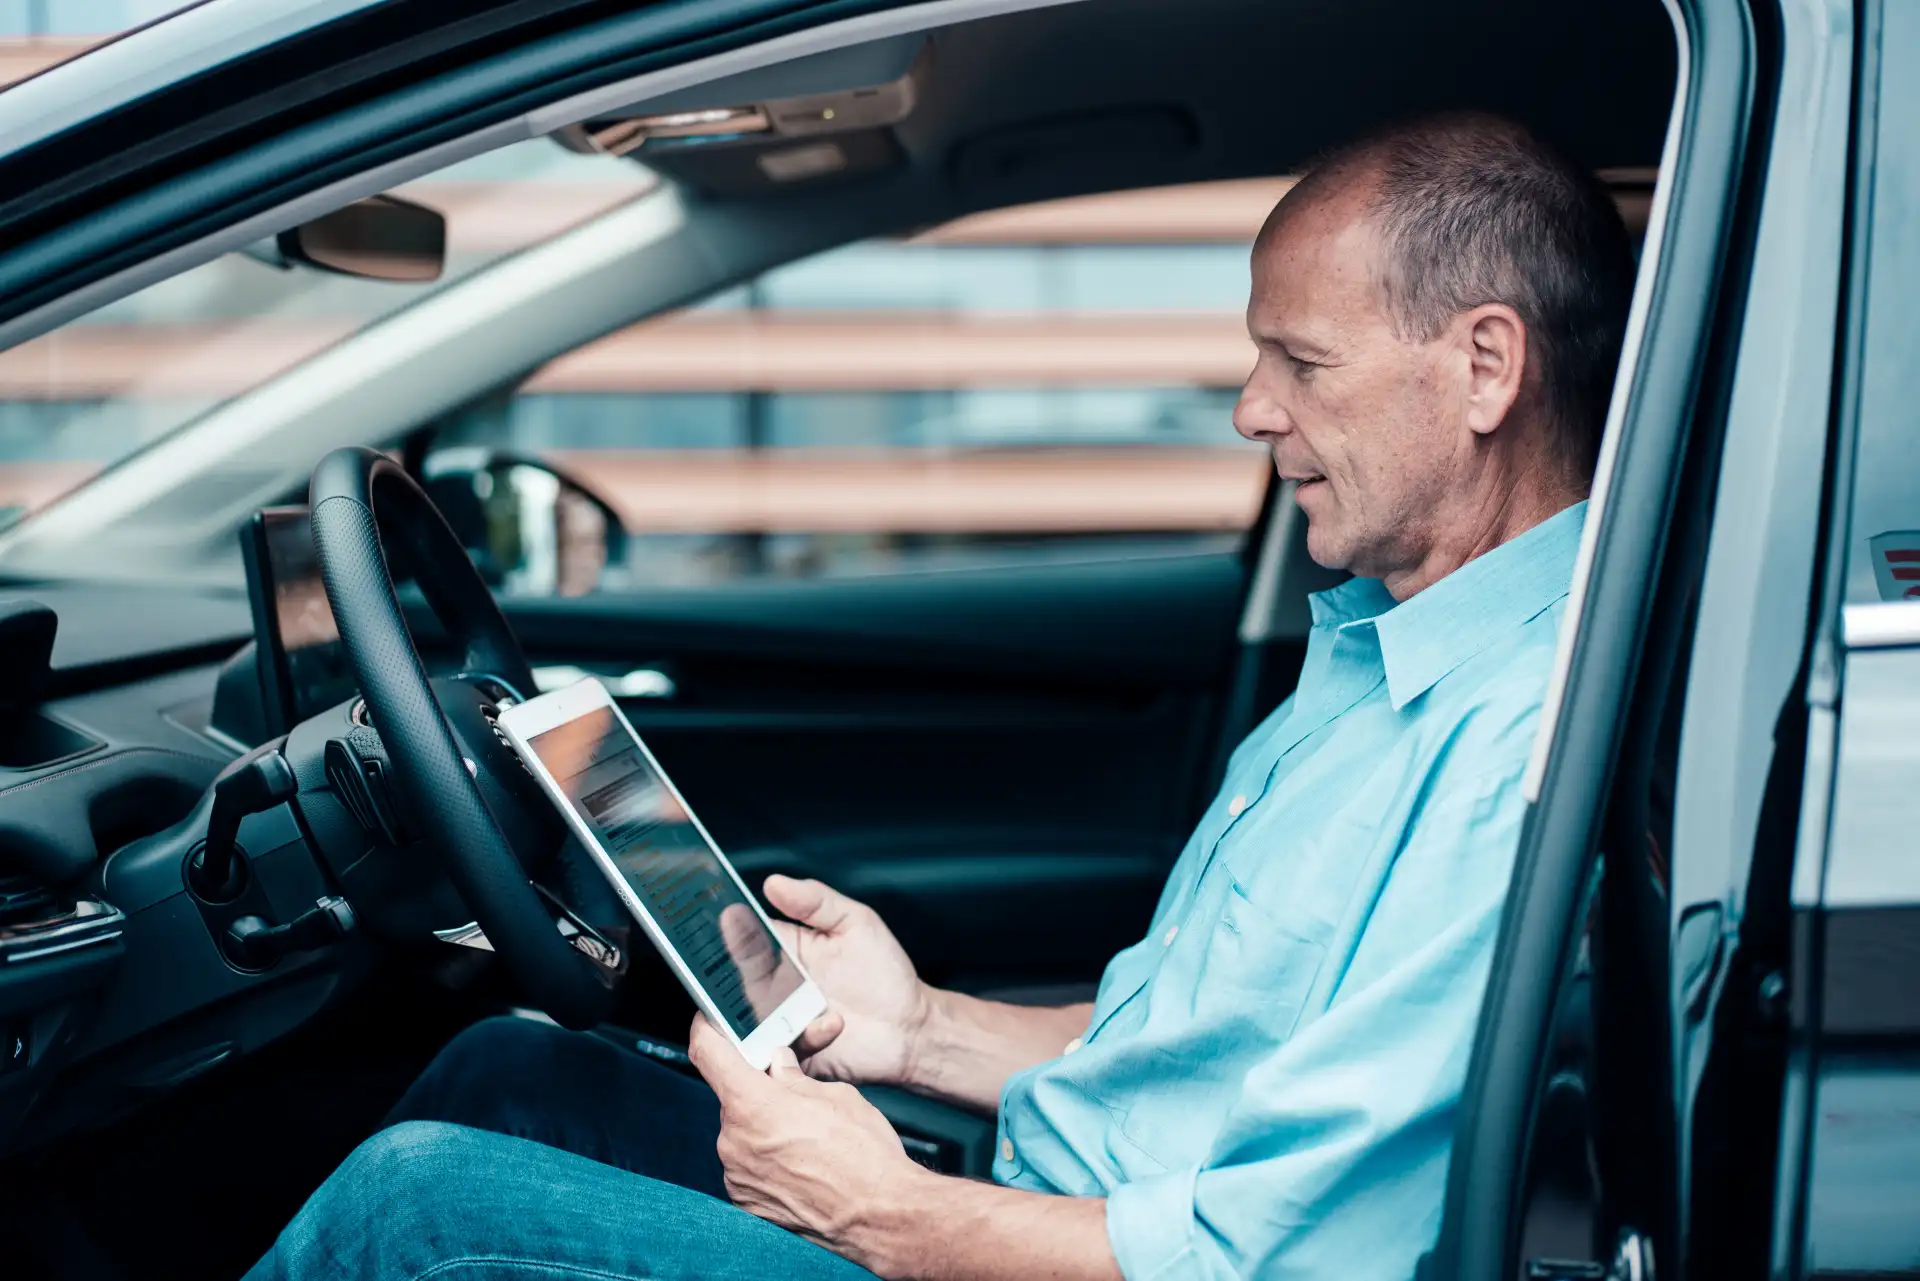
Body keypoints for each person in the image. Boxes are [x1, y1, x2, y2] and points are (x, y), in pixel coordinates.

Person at [244, 110, 1637, 1281]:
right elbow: (1206, 1053)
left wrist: (882, 1212)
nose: (1251, 409)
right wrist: (922, 1034)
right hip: (1035, 1208)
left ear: (1485, 366)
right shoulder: (1381, 654)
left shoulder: (1520, 744)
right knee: (508, 1072)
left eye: (1302, 362)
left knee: (411, 1212)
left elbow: (1273, 1257)